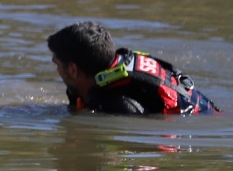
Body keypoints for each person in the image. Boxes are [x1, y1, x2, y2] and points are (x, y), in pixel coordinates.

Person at [46, 20, 220, 115]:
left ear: (73, 70)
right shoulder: (114, 66)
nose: (57, 70)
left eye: (57, 64)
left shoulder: (117, 105)